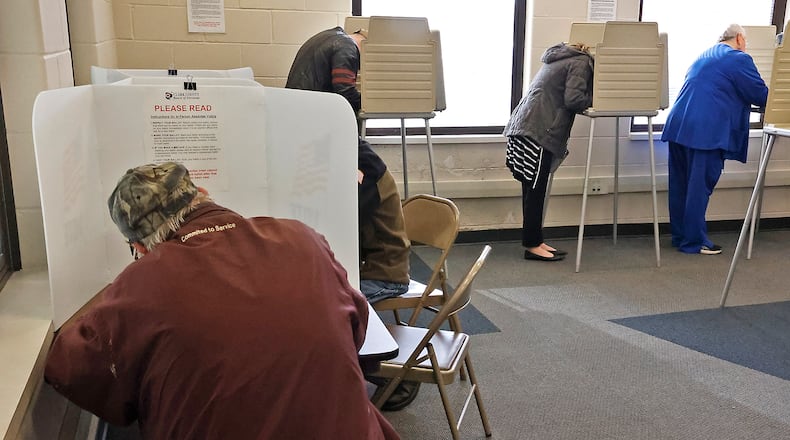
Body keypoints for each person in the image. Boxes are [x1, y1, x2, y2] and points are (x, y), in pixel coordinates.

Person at [44, 162, 400, 439]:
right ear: (202, 193)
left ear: (138, 247)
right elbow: (356, 327)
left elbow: (72, 369)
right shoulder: (301, 238)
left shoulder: (144, 281)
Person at [286, 27, 411, 302]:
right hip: (323, 127)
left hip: (383, 276)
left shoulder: (325, 39)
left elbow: (346, 226)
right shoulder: (347, 47)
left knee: (319, 301)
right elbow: (344, 94)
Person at [661, 24, 768, 255]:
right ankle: (694, 242)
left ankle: (681, 237)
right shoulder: (738, 58)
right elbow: (760, 94)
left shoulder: (706, 54)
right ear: (739, 38)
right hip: (705, 131)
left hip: (679, 125)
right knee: (699, 187)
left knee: (681, 185)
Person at [504, 42, 594, 262]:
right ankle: (533, 245)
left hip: (525, 125)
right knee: (536, 190)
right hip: (539, 129)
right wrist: (597, 100)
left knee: (532, 188)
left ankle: (536, 241)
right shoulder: (581, 62)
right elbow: (573, 100)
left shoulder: (559, 57)